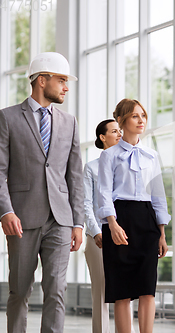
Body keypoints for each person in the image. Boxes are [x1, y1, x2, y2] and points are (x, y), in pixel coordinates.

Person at [0, 52, 84, 333]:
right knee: (19, 291)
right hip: (22, 219)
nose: (66, 87)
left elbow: (74, 175)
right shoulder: (8, 118)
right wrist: (6, 210)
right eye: (61, 80)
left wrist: (78, 222)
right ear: (42, 80)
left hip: (60, 219)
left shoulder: (69, 122)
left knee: (57, 289)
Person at [97, 99, 170, 333]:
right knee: (122, 290)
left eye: (143, 116)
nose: (141, 121)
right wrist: (112, 224)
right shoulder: (109, 156)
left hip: (147, 221)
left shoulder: (151, 155)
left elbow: (159, 196)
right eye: (135, 116)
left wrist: (162, 233)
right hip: (120, 219)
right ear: (121, 121)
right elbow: (104, 193)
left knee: (147, 288)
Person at [84, 119, 136, 333]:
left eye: (120, 131)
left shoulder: (128, 164)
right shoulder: (91, 168)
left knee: (127, 291)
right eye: (114, 131)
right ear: (102, 137)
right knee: (102, 293)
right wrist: (96, 231)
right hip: (100, 236)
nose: (120, 134)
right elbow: (86, 203)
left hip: (124, 234)